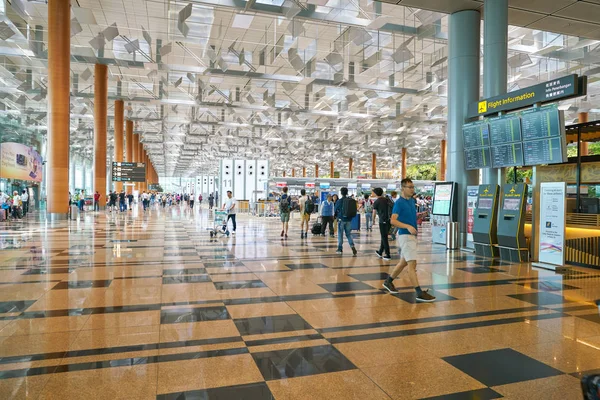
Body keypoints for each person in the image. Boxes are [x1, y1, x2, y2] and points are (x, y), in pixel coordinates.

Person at [383, 178, 435, 302]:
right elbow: (393, 220)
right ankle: (419, 292)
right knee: (412, 264)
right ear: (403, 188)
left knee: (404, 262)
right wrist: (408, 226)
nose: (412, 189)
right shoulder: (399, 203)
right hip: (405, 236)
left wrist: (418, 216)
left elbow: (408, 216)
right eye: (409, 187)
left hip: (411, 236)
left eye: (413, 187)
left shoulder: (412, 201)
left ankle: (388, 281)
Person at [334, 187, 357, 256]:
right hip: (349, 220)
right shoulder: (351, 200)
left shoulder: (339, 201)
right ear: (347, 192)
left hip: (341, 220)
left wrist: (335, 216)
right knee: (348, 234)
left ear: (341, 193)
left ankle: (340, 248)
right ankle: (352, 246)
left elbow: (335, 210)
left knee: (340, 234)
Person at [372, 188, 392, 260]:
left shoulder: (377, 201)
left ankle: (388, 254)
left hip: (382, 221)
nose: (372, 193)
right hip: (389, 220)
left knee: (384, 237)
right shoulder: (387, 199)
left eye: (373, 192)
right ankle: (380, 251)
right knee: (384, 236)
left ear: (376, 193)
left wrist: (373, 220)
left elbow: (374, 212)